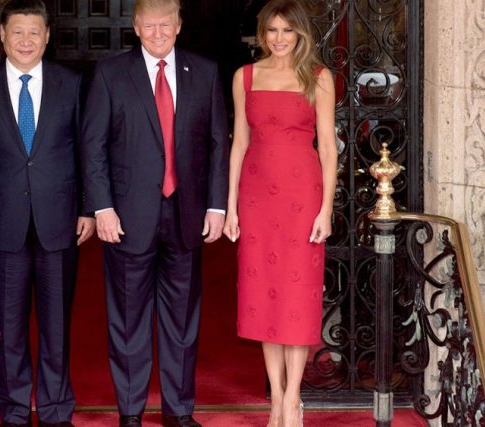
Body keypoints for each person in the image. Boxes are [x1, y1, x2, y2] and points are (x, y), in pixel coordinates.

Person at [81, 0, 230, 425]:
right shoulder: (111, 73)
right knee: (127, 321)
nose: (158, 33)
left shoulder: (204, 72)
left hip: (186, 213)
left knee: (182, 321)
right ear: (136, 27)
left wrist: (216, 205)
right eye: (150, 25)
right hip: (127, 218)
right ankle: (130, 413)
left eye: (166, 24)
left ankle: (179, 412)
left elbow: (218, 142)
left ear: (179, 26)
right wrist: (102, 207)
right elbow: (93, 147)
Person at [0, 1, 95, 426]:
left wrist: (89, 208)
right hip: (3, 221)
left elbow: (86, 150)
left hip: (60, 219)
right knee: (10, 326)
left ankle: (57, 410)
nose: (25, 41)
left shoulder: (71, 83)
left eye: (34, 32)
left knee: (56, 326)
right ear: (1, 35)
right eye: (17, 32)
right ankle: (14, 410)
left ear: (47, 36)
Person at [223, 0, 337, 426]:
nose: (279, 39)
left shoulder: (319, 79)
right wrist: (232, 206)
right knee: (263, 298)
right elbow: (239, 143)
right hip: (256, 196)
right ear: (262, 33)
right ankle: (275, 399)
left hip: (301, 198)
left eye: (287, 31)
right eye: (272, 30)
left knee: (297, 297)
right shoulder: (245, 76)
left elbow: (327, 148)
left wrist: (325, 209)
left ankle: (293, 399)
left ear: (302, 34)